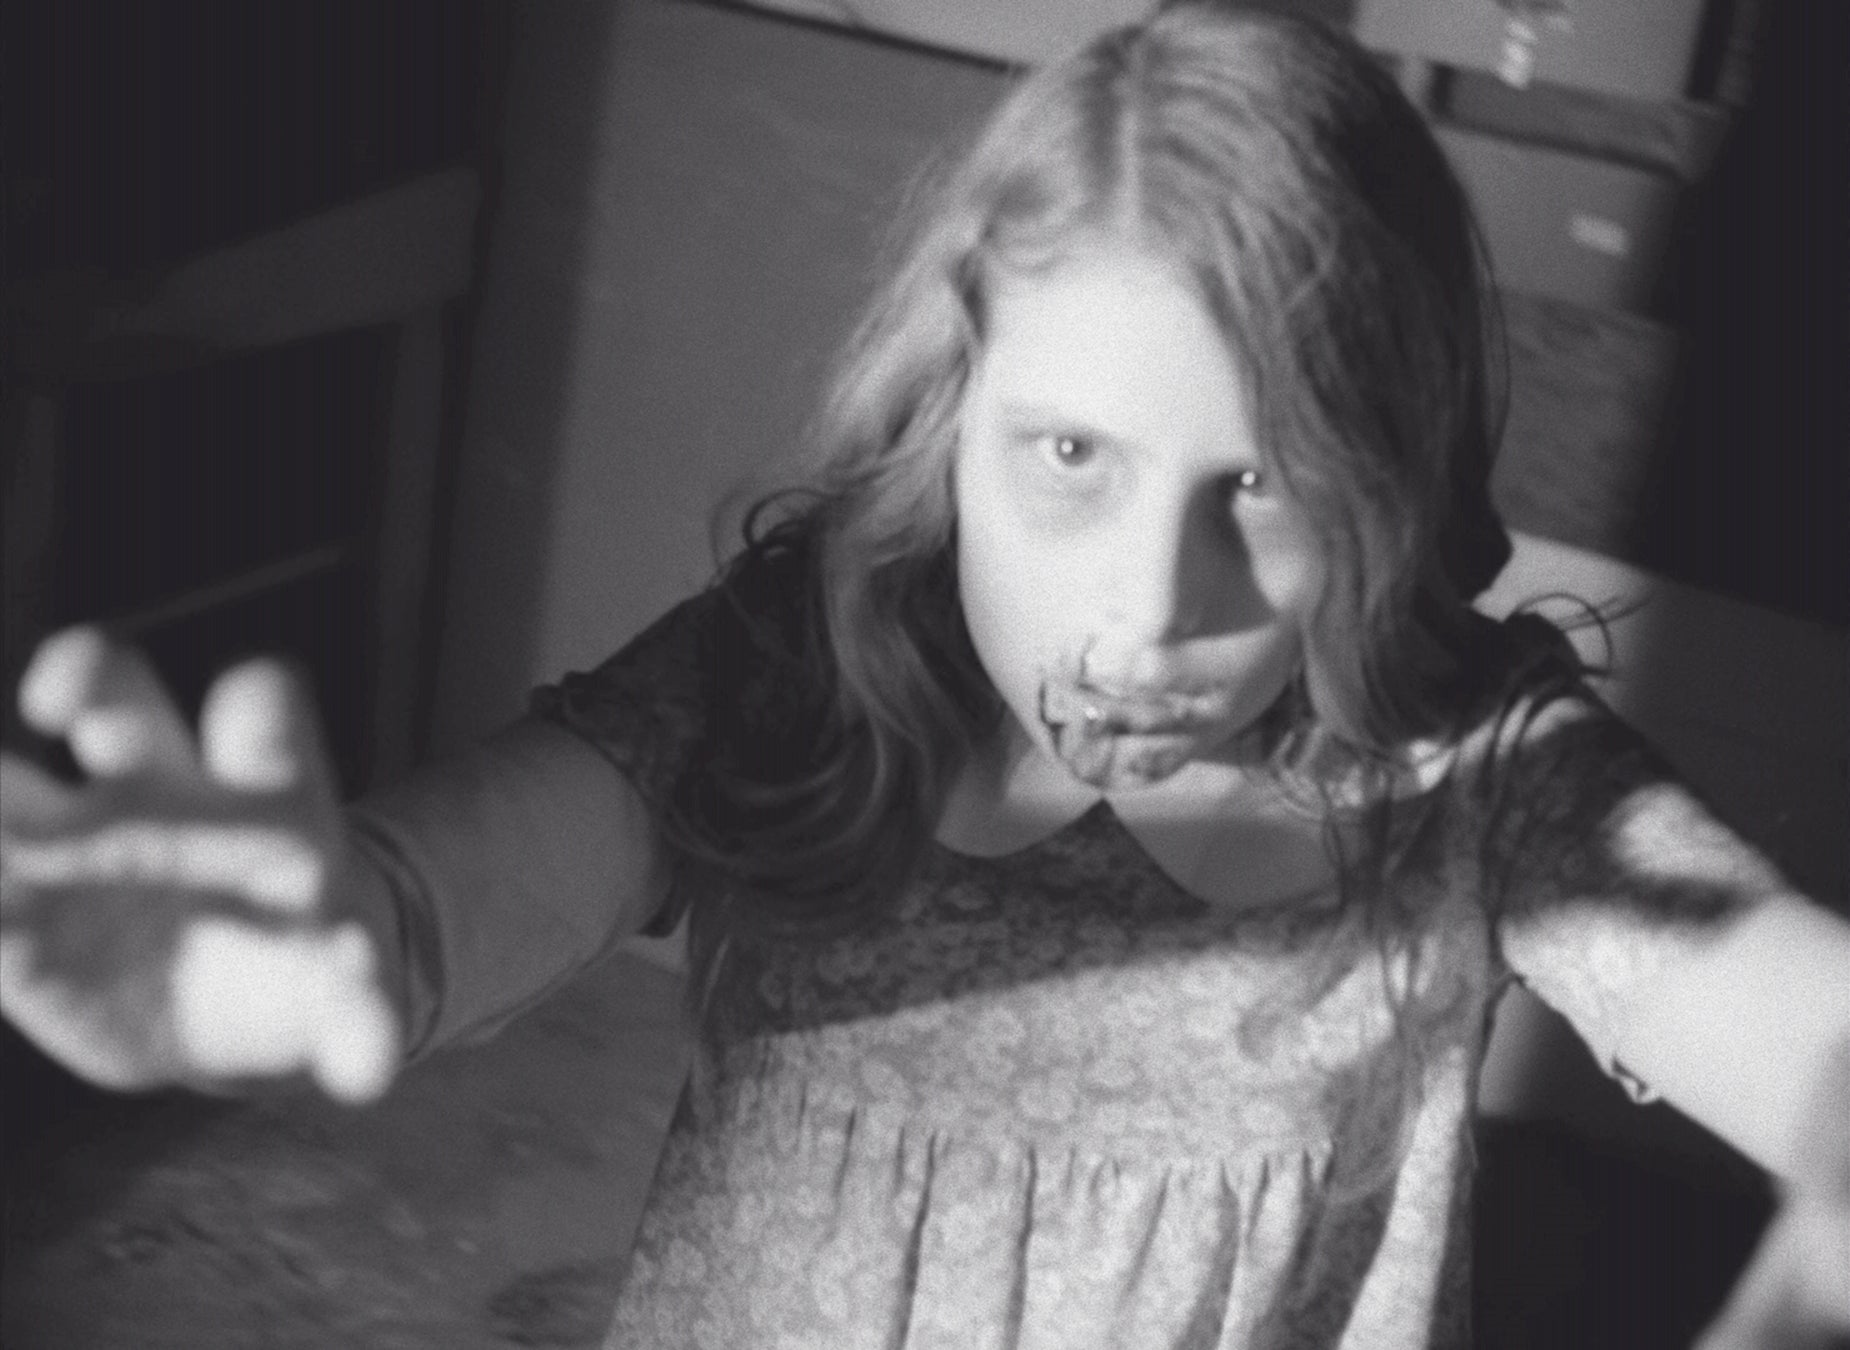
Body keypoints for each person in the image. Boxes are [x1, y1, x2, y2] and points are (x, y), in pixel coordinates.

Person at [3, 8, 1847, 1348]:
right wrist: (335, 935)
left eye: (1265, 485)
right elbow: (444, 898)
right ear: (951, 408)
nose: (1149, 606)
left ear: (1386, 480)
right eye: (1070, 457)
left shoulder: (1479, 774)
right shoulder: (798, 664)